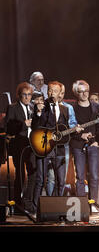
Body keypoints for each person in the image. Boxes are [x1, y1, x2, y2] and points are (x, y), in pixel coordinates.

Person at [31, 81, 81, 213]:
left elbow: (64, 130)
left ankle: (57, 209)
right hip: (43, 146)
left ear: (60, 93)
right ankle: (35, 210)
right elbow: (35, 127)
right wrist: (38, 113)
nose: (51, 92)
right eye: (50, 90)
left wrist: (75, 130)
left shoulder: (64, 109)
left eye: (54, 90)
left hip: (59, 148)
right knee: (41, 179)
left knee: (60, 181)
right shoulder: (42, 106)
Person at [70, 80, 99, 203]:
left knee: (94, 176)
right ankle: (81, 204)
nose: (84, 94)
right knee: (80, 177)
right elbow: (70, 129)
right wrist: (81, 136)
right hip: (78, 145)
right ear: (76, 93)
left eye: (86, 91)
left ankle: (93, 203)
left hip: (92, 144)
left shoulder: (96, 106)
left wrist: (96, 141)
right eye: (81, 91)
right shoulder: (72, 108)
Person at [5, 82, 35, 211]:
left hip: (32, 145)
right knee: (21, 174)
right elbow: (9, 127)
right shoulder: (13, 108)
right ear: (19, 95)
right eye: (24, 95)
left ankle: (29, 201)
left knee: (34, 173)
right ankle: (18, 204)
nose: (27, 97)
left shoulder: (33, 108)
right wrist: (24, 124)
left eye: (29, 95)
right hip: (19, 145)